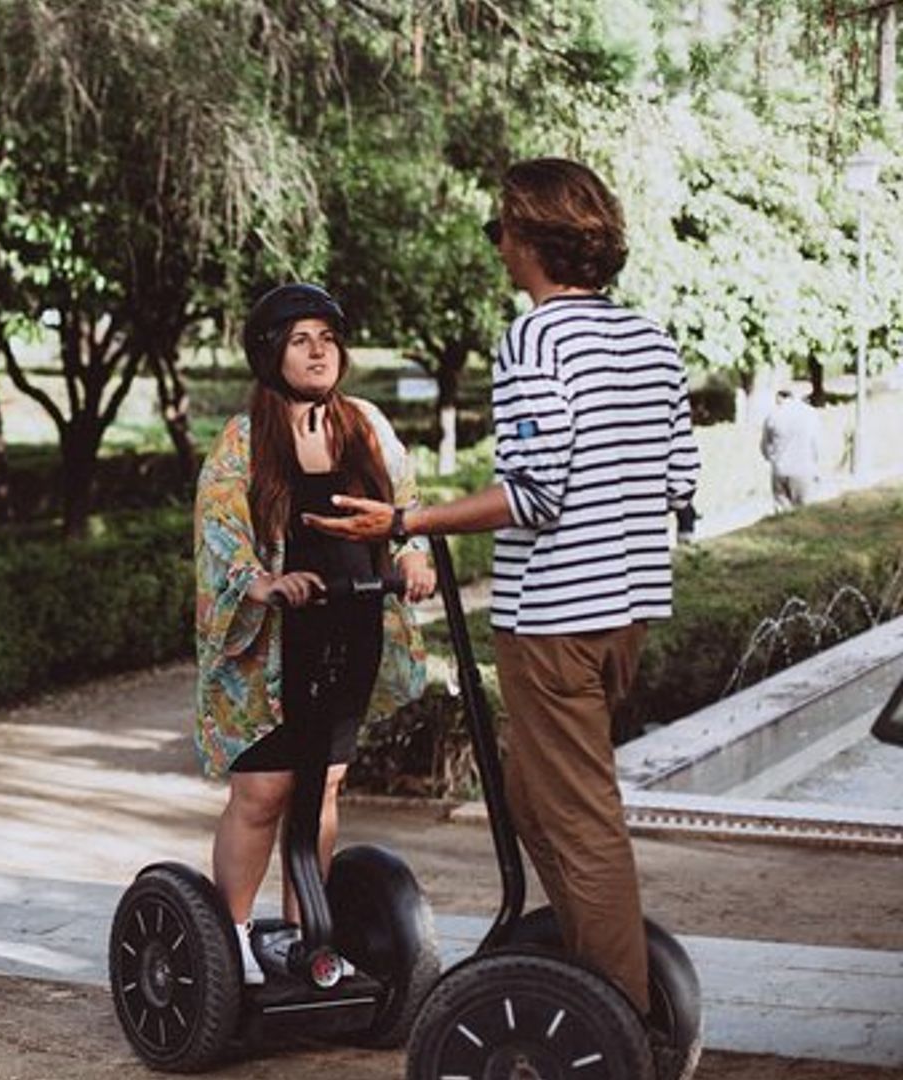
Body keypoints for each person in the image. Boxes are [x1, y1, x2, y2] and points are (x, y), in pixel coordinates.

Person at [306, 158, 700, 1015]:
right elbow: (678, 480)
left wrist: (403, 524)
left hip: (556, 617)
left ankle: (617, 1018)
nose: (497, 246)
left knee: (579, 822)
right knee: (529, 792)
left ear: (532, 239)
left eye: (501, 230)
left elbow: (533, 493)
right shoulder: (652, 341)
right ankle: (588, 959)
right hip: (625, 611)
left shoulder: (535, 340)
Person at [194, 282, 433, 985]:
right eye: (300, 340)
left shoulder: (363, 423)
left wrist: (413, 552)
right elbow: (218, 527)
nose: (318, 350)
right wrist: (260, 581)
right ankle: (232, 941)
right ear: (272, 355)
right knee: (264, 791)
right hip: (271, 644)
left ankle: (307, 935)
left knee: (323, 787)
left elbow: (406, 502)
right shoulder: (244, 438)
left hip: (350, 622)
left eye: (326, 337)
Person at [760, 384, 822, 511]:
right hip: (803, 470)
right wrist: (816, 468)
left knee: (783, 514)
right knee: (803, 513)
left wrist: (773, 459)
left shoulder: (772, 416)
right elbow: (817, 445)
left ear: (779, 396)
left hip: (780, 471)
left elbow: (764, 447)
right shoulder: (810, 414)